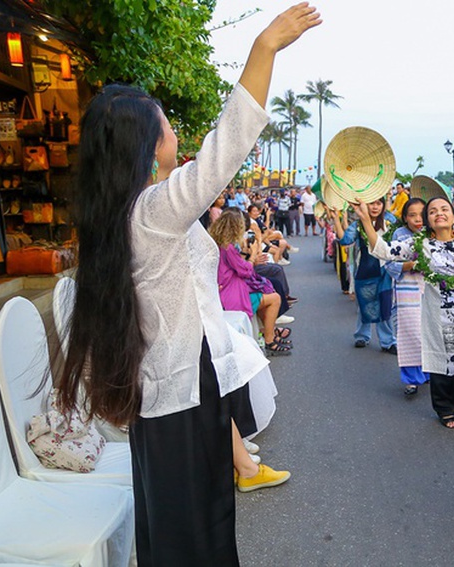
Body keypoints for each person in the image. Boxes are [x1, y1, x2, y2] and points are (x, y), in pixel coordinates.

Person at [55, 6, 320, 566]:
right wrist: (264, 48)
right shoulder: (151, 211)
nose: (176, 134)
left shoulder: (126, 213)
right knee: (193, 532)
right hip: (179, 392)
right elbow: (227, 148)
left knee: (182, 524)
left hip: (174, 387)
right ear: (146, 146)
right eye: (167, 126)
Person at [359, 196, 454, 428]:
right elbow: (384, 251)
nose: (439, 213)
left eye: (444, 209)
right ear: (428, 219)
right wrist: (366, 219)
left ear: (453, 214)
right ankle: (445, 409)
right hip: (439, 313)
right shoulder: (420, 244)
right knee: (443, 363)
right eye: (432, 211)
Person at [210, 209, 291, 355]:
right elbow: (245, 270)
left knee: (269, 292)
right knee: (275, 298)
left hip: (227, 288)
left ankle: (268, 332)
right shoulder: (228, 246)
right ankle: (269, 340)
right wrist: (253, 255)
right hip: (232, 294)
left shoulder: (220, 243)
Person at [329, 197, 398, 351]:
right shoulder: (358, 224)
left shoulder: (391, 220)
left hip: (386, 270)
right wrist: (336, 220)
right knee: (364, 303)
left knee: (385, 305)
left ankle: (388, 342)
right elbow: (345, 240)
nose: (375, 207)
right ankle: (362, 336)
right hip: (366, 268)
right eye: (371, 203)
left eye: (378, 203)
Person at [383, 198, 430, 395]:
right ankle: (411, 379)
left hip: (429, 290)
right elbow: (389, 263)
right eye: (412, 215)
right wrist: (408, 266)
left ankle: (428, 373)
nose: (417, 219)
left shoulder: (432, 233)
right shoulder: (399, 235)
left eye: (421, 214)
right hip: (406, 291)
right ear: (404, 217)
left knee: (428, 334)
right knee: (410, 333)